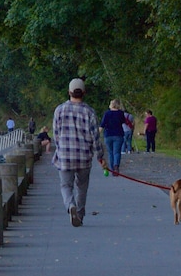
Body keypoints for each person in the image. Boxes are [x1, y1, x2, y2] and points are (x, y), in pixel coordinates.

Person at [52, 78, 105, 227]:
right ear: (84, 92)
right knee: (82, 187)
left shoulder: (59, 110)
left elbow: (56, 135)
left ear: (69, 92)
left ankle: (70, 206)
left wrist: (61, 147)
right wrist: (100, 156)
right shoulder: (89, 112)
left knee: (66, 186)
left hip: (64, 156)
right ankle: (80, 215)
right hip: (83, 157)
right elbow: (95, 137)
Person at [100, 99, 127, 174]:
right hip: (118, 134)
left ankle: (112, 169)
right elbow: (123, 121)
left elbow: (102, 125)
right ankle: (116, 166)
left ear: (111, 105)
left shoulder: (107, 113)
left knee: (110, 153)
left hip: (108, 135)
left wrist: (97, 134)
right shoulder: (121, 113)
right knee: (117, 152)